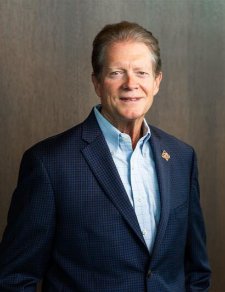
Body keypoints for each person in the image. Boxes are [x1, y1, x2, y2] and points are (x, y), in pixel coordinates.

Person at [0, 21, 211, 291]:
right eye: (116, 72)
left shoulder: (182, 158)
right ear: (97, 82)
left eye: (141, 73)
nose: (131, 84)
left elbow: (196, 272)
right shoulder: (49, 164)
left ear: (157, 82)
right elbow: (15, 279)